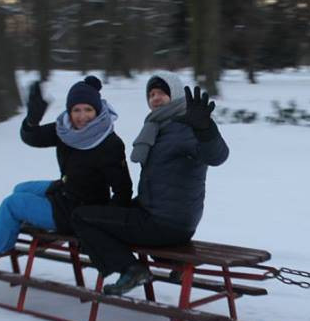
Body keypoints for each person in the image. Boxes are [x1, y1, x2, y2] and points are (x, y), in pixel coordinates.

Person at [71, 71, 229, 296]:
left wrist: (206, 130)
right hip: (171, 219)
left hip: (164, 223)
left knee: (81, 217)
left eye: (162, 93)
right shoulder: (158, 126)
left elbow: (217, 157)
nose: (155, 98)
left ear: (174, 95)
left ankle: (131, 269)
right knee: (106, 213)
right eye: (151, 93)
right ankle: (174, 263)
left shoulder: (186, 127)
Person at [0, 76, 132, 265]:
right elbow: (32, 138)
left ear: (97, 111)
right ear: (70, 111)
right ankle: (16, 235)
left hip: (79, 212)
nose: (82, 116)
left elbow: (123, 190)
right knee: (22, 188)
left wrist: (101, 226)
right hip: (67, 190)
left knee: (13, 203)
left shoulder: (109, 143)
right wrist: (32, 119)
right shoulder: (66, 131)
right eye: (76, 110)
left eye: (88, 109)